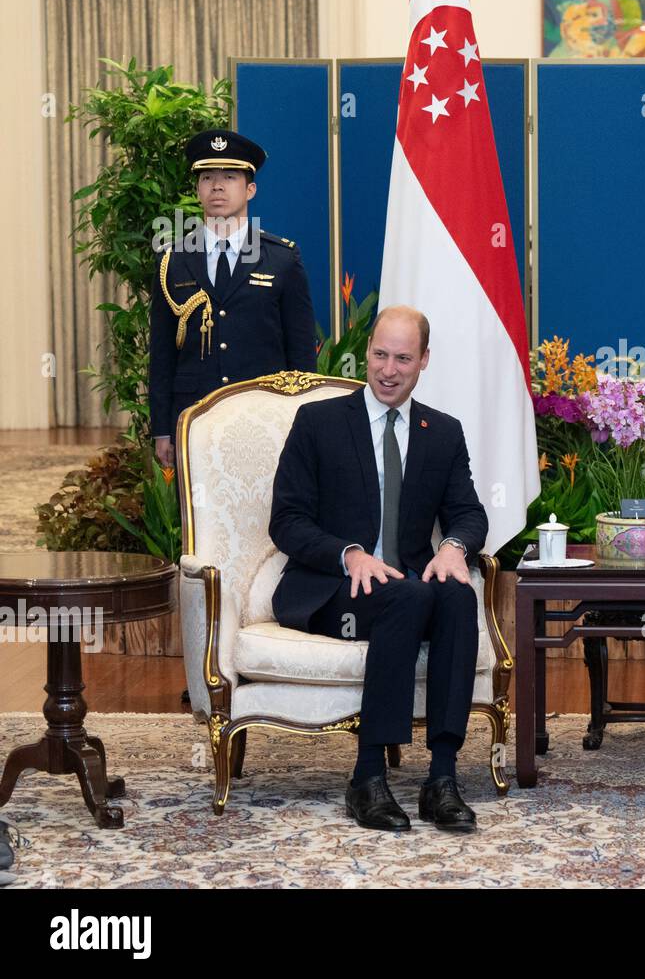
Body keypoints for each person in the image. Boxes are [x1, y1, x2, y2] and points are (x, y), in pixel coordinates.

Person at [269, 305, 488, 833]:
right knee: (411, 597)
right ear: (367, 352)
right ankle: (367, 778)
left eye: (403, 359)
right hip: (333, 591)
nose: (389, 370)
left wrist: (455, 546)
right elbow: (287, 520)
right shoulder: (319, 422)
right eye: (380, 355)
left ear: (424, 361)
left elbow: (469, 512)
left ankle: (441, 778)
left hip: (405, 587)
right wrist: (349, 554)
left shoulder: (443, 433)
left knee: (458, 595)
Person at [150, 128, 316, 468]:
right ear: (197, 189)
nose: (217, 186)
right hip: (194, 417)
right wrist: (162, 430)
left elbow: (301, 353)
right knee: (199, 515)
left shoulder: (282, 259)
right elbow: (162, 354)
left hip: (264, 415)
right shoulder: (174, 260)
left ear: (250, 189)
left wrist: (303, 422)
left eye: (229, 176)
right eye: (207, 177)